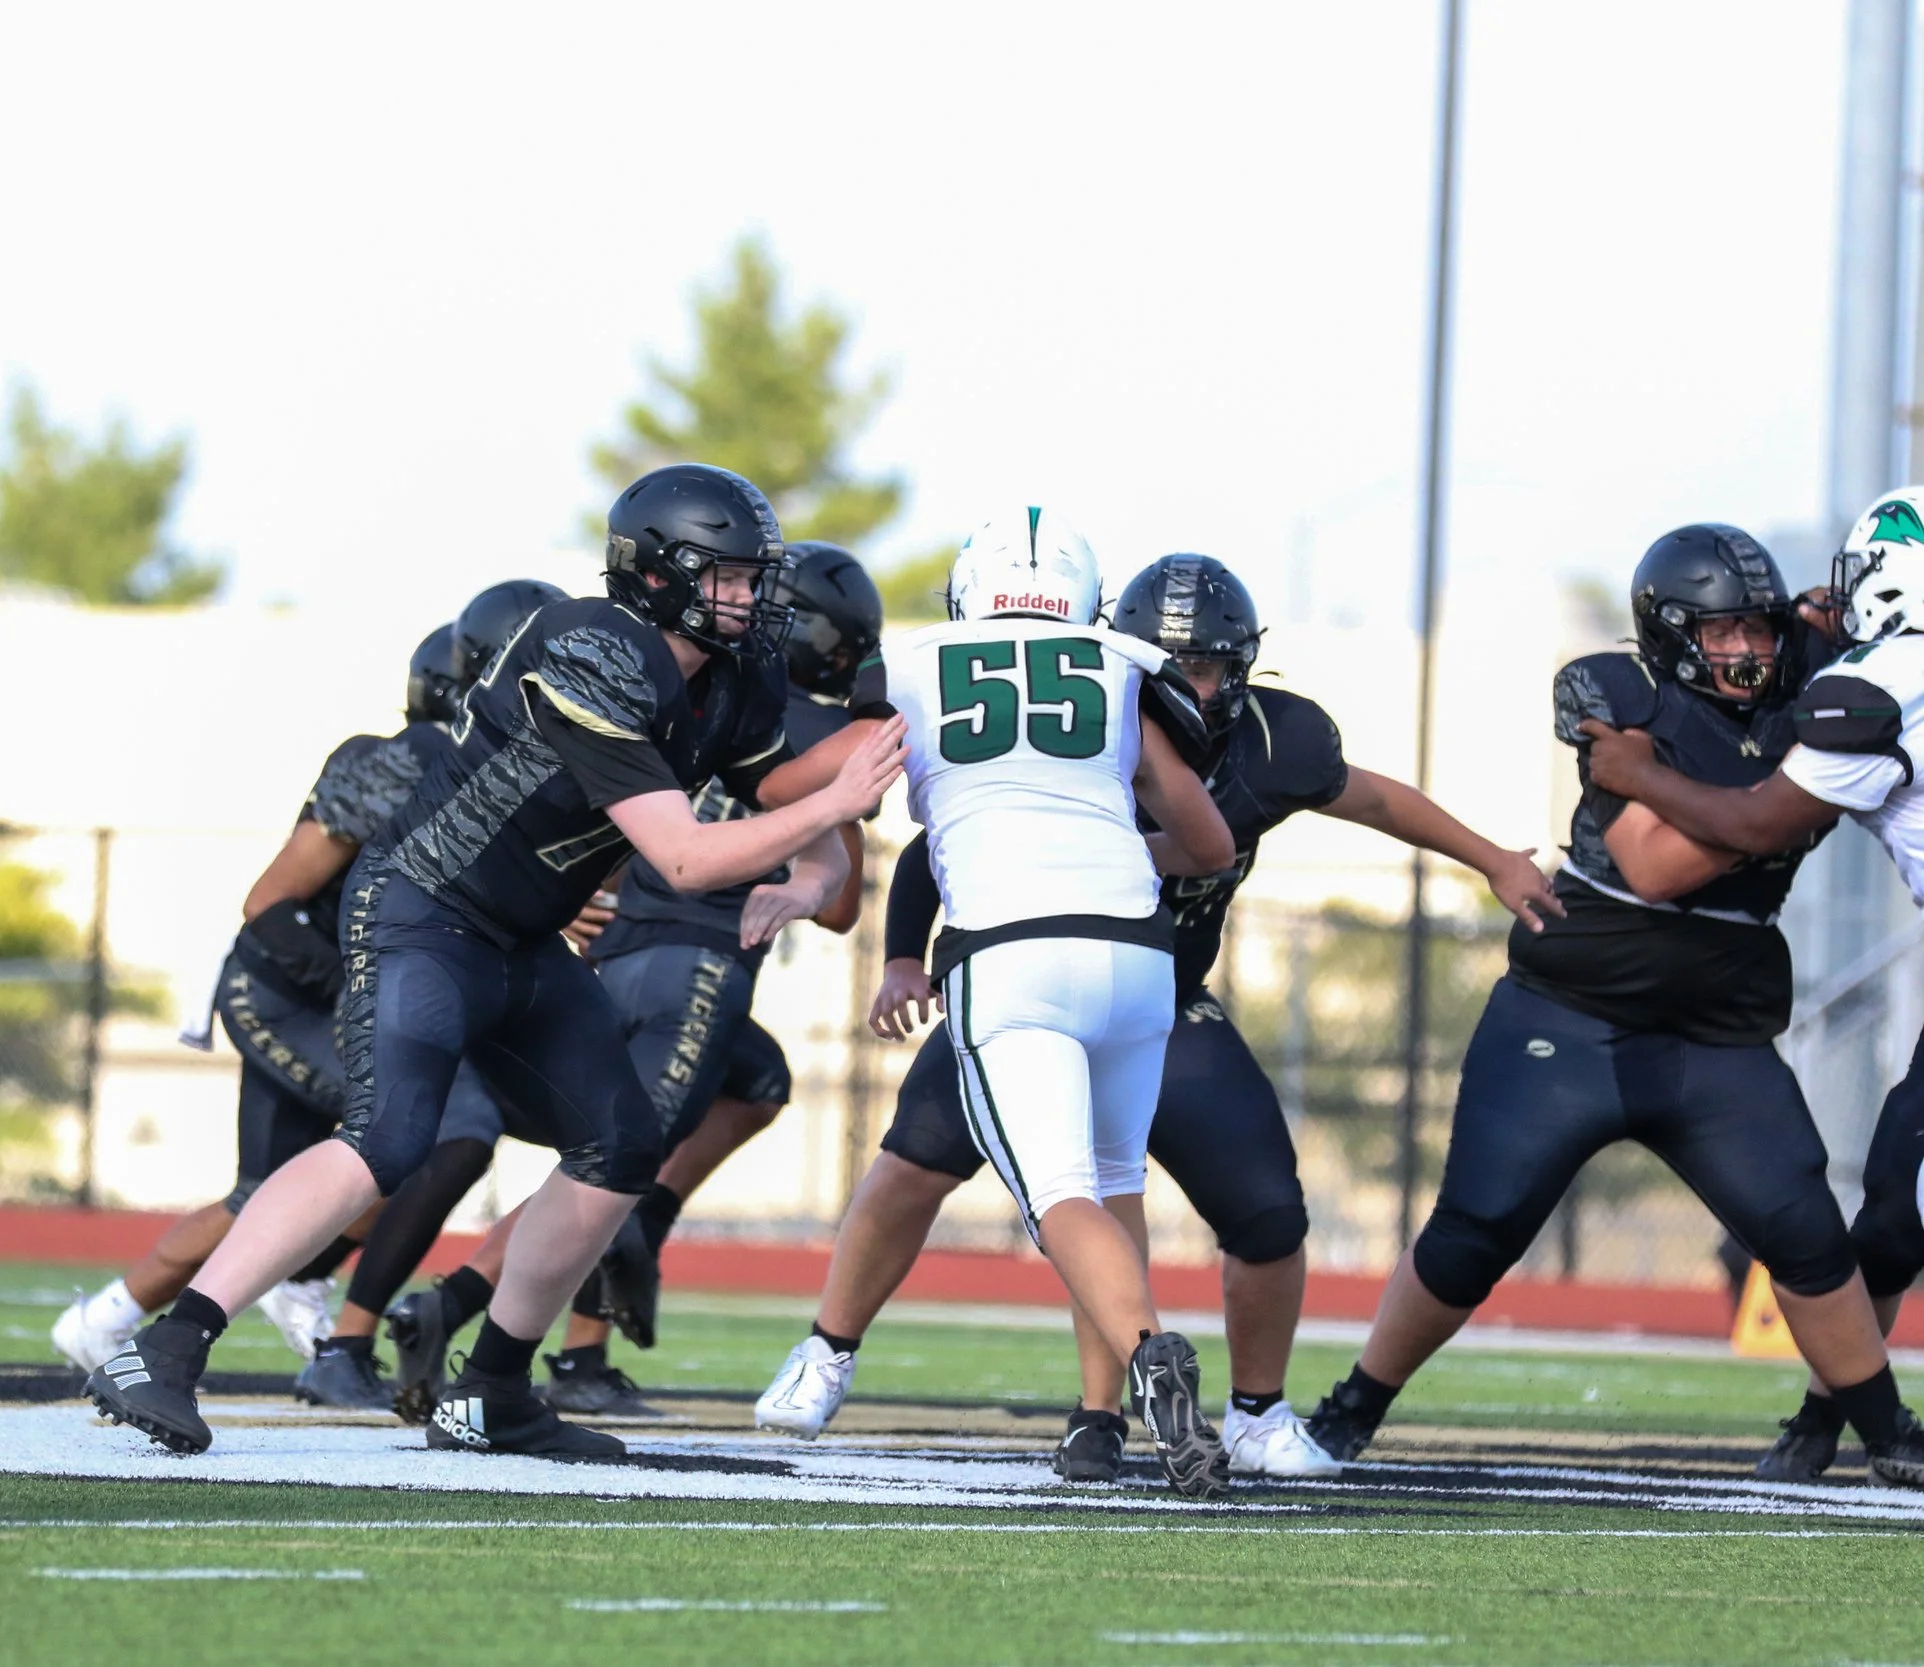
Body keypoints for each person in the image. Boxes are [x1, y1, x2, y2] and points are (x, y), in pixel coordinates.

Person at [84, 463, 901, 1458]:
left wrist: (862, 781)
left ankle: (493, 1390)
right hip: (425, 909)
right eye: (728, 575)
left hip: (523, 937)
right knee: (390, 1138)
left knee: (620, 1147)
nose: (751, 595)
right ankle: (166, 1347)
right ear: (658, 574)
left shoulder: (727, 678)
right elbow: (687, 856)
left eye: (753, 576)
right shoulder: (593, 648)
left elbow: (781, 783)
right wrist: (837, 802)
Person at [757, 553, 1560, 1483]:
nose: (1194, 686)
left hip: (1162, 997)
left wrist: (1491, 858)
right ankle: (832, 1351)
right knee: (916, 1163)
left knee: (1262, 1209)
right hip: (1029, 974)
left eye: (1210, 667)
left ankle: (1252, 1413)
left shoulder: (1270, 739)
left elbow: (1370, 796)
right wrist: (904, 953)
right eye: (1174, 665)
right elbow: (939, 845)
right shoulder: (1084, 712)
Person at [1304, 523, 1924, 1490]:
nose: (1747, 649)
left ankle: (1887, 1435)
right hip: (1573, 1009)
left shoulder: (1824, 679)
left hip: (1717, 1029)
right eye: (1721, 632)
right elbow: (1652, 865)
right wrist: (1762, 808)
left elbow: (1827, 617)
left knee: (1803, 1228)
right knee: (1476, 1228)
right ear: (1670, 633)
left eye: (1757, 629)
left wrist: (1725, 786)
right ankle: (1352, 1409)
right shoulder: (1622, 693)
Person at [378, 543, 885, 1422]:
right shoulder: (794, 728)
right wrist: (839, 798)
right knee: (618, 1159)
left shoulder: (703, 697)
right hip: (699, 959)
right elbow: (836, 897)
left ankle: (630, 1237)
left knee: (757, 1081)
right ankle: (504, 1323)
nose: (747, 603)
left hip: (620, 952)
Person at [50, 586, 563, 1415]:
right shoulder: (407, 761)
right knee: (428, 1129)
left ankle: (107, 1317)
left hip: (340, 991)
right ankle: (307, 1282)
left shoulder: (510, 773)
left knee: (261, 1193)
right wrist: (371, 987)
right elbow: (269, 902)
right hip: (288, 991)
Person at [822, 507, 1240, 1498]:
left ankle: (1147, 1356)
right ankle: (1104, 1411)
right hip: (1138, 951)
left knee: (1057, 1195)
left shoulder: (910, 665)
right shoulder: (1125, 667)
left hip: (1011, 949)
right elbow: (1210, 846)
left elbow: (827, 788)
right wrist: (1108, 849)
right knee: (1113, 1179)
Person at [1581, 487, 1924, 1486]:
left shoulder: (1881, 682)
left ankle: (1823, 1423)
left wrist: (1634, 772)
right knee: (1893, 1210)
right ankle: (1823, 1421)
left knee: (1899, 1205)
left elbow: (1755, 823)